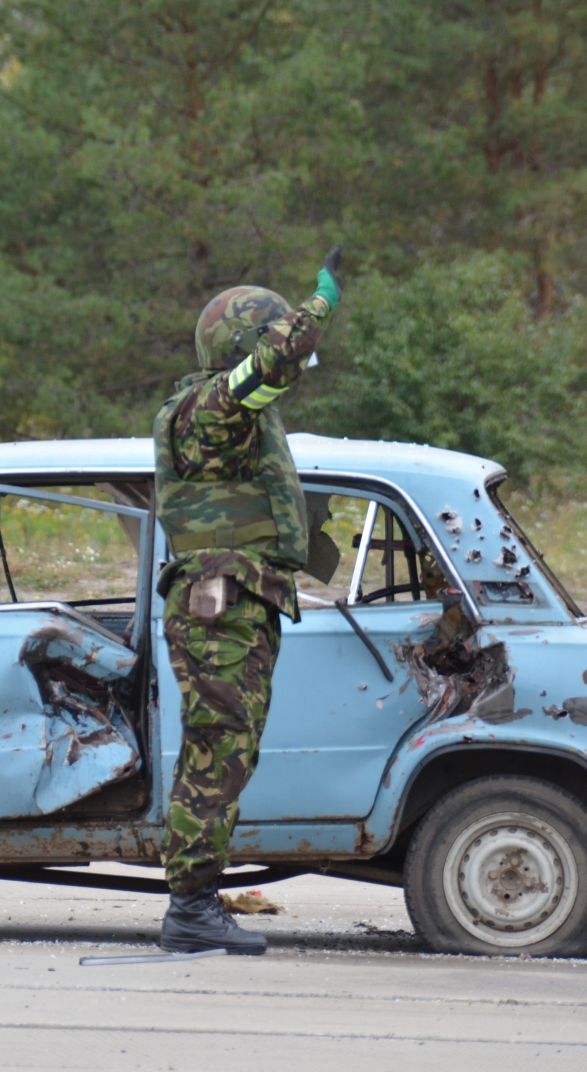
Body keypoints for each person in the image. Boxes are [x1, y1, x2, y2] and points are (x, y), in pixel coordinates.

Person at [152, 245, 345, 955]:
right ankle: (192, 910)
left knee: (225, 750)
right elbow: (270, 368)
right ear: (242, 344)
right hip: (219, 606)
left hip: (239, 603)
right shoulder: (210, 408)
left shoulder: (228, 412)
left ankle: (195, 903)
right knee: (216, 752)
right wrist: (317, 307)